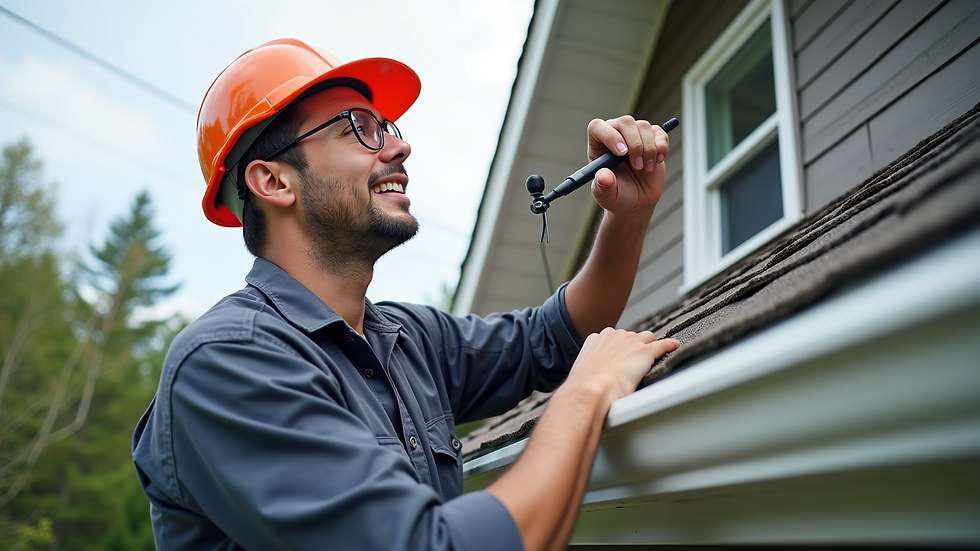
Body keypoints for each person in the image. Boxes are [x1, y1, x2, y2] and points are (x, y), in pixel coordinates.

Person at [132, 38, 679, 551]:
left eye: (388, 126)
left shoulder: (408, 339)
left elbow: (555, 337)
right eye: (358, 128)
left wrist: (627, 216)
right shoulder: (230, 362)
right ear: (274, 182)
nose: (399, 145)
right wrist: (586, 393)